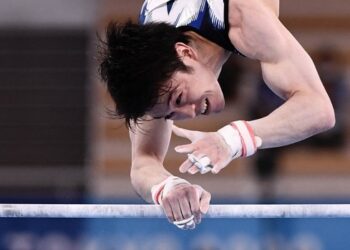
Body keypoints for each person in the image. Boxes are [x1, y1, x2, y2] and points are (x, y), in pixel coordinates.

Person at [98, 0, 335, 229]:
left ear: (185, 53)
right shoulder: (149, 71)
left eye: (179, 98)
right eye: (170, 115)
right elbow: (142, 163)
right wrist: (169, 188)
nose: (189, 113)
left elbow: (319, 109)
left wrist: (231, 140)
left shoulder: (243, 17)